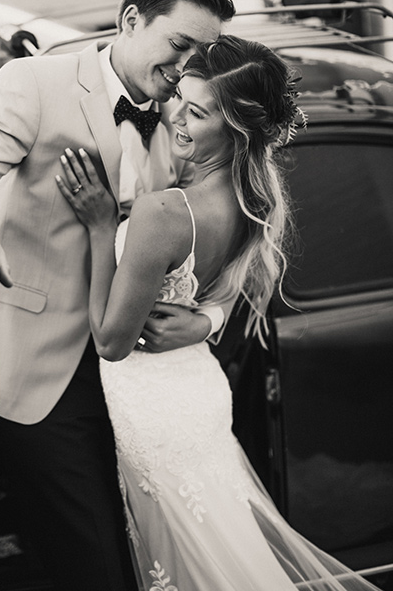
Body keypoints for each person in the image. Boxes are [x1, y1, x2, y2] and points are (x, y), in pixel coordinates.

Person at [0, 0, 235, 590]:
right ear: (131, 21)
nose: (187, 64)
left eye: (202, 52)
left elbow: (236, 227)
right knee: (90, 557)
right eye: (179, 46)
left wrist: (209, 317)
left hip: (141, 375)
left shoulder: (190, 114)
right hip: (42, 372)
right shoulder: (35, 84)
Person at [56, 35, 381, 591]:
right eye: (179, 96)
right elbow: (238, 283)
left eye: (197, 111)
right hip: (194, 395)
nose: (175, 115)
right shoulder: (253, 196)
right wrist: (208, 318)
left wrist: (99, 228)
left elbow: (111, 341)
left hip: (153, 407)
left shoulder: (163, 213)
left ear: (235, 128)